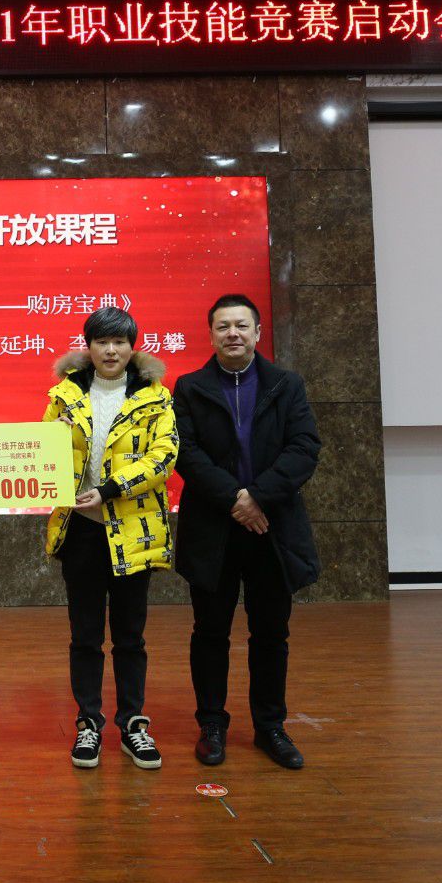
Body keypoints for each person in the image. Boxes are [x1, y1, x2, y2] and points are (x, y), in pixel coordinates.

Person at [173, 294, 322, 770]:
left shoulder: (285, 384)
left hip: (271, 528)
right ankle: (212, 725)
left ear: (257, 332)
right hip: (212, 530)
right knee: (210, 632)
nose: (232, 333)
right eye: (223, 326)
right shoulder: (190, 387)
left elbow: (304, 447)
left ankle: (270, 727)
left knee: (271, 633)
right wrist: (236, 501)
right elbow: (185, 452)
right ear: (211, 335)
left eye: (241, 325)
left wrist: (257, 497)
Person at [43, 306, 178, 770]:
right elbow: (39, 453)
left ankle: (133, 724)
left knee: (130, 637)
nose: (110, 350)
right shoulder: (64, 395)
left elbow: (164, 457)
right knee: (84, 636)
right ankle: (88, 723)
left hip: (134, 530)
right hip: (81, 530)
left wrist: (110, 489)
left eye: (119, 342)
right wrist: (53, 440)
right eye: (101, 341)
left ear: (132, 347)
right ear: (89, 346)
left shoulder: (156, 398)